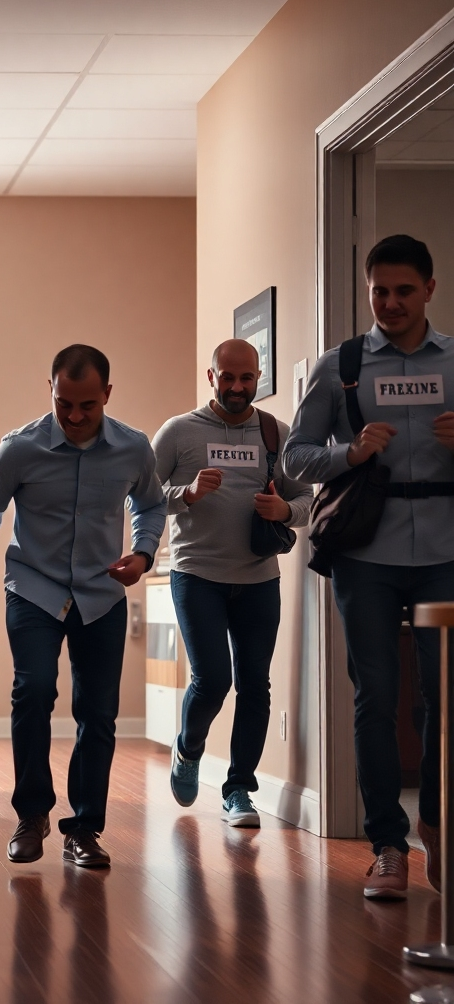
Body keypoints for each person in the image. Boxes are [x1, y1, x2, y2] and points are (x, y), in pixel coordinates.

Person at [283, 234, 454, 899]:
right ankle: (387, 843)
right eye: (379, 291)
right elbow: (295, 459)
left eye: (404, 291)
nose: (389, 303)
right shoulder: (342, 366)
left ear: (430, 290)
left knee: (445, 699)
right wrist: (350, 454)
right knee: (375, 697)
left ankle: (438, 827)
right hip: (366, 554)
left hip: (446, 551)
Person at [0, 344, 166, 867]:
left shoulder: (133, 448)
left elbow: (150, 503)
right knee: (32, 691)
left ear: (107, 395)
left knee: (98, 711)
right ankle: (31, 816)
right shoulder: (19, 448)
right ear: (49, 391)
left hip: (101, 594)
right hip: (33, 587)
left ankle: (84, 830)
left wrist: (143, 554)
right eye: (63, 404)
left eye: (87, 406)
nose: (75, 417)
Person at [152, 339, 313, 827]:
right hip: (196, 574)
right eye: (228, 377)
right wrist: (188, 492)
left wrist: (285, 510)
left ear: (258, 377)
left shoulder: (276, 434)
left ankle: (239, 788)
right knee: (212, 680)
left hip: (259, 577)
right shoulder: (179, 432)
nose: (238, 387)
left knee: (255, 686)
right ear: (211, 376)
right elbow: (140, 497)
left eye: (247, 378)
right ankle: (189, 746)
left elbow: (308, 499)